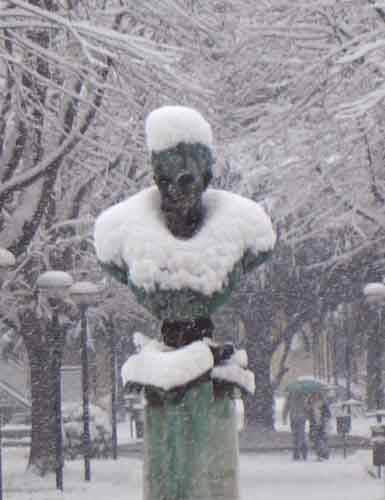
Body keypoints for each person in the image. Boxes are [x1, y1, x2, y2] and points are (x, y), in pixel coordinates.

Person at [282, 391, 309, 460]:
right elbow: (286, 407)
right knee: (297, 436)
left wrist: (284, 417)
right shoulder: (291, 396)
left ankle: (300, 452)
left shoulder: (303, 396)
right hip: (296, 418)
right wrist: (284, 417)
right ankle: (299, 452)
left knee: (299, 435)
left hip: (299, 418)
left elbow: (286, 407)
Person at [307, 392, 332, 461]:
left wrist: (324, 418)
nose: (315, 396)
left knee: (321, 440)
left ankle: (323, 454)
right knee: (314, 439)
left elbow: (328, 414)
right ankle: (320, 454)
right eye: (314, 394)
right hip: (313, 424)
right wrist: (309, 410)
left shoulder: (324, 403)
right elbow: (308, 413)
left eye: (317, 394)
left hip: (321, 424)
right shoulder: (310, 402)